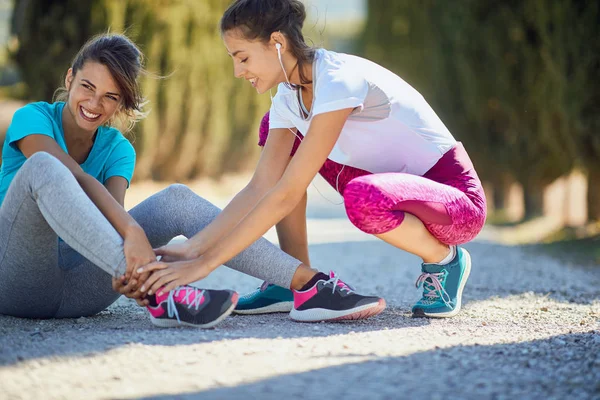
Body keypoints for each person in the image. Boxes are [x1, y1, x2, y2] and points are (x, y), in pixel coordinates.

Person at [0, 33, 384, 327]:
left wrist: (130, 245)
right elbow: (76, 177)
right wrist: (133, 232)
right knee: (46, 169)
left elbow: (106, 225)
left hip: (84, 290)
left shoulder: (118, 149)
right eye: (87, 87)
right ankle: (164, 295)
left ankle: (309, 284)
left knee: (177, 199)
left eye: (110, 96)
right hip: (17, 281)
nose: (94, 103)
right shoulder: (32, 118)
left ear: (122, 104)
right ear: (70, 78)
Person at [140, 0, 487, 319]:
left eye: (242, 57)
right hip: (388, 186)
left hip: (453, 199)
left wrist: (206, 266)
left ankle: (445, 260)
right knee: (279, 134)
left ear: (277, 43)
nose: (237, 71)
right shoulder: (288, 98)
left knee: (363, 198)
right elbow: (261, 186)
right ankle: (290, 279)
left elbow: (287, 192)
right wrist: (194, 249)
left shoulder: (337, 79)